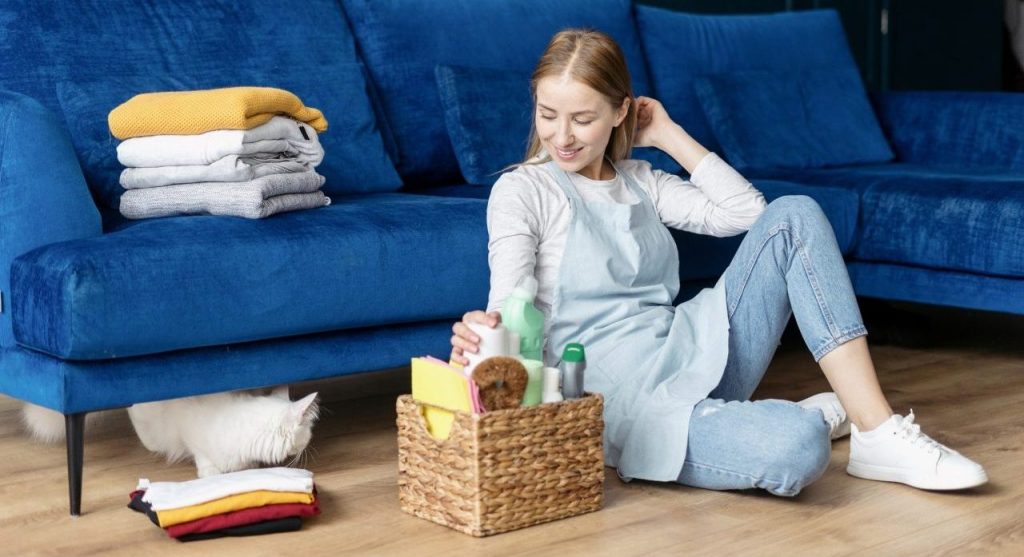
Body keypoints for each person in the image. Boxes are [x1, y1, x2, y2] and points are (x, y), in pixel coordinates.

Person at [449, 29, 987, 496]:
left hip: (689, 349)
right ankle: (790, 419)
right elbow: (511, 303)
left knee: (794, 213)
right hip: (620, 397)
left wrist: (665, 134)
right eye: (548, 115)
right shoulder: (523, 190)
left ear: (619, 112)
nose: (562, 136)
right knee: (795, 448)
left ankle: (878, 431)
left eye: (583, 118)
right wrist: (484, 336)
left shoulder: (642, 182)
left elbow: (749, 213)